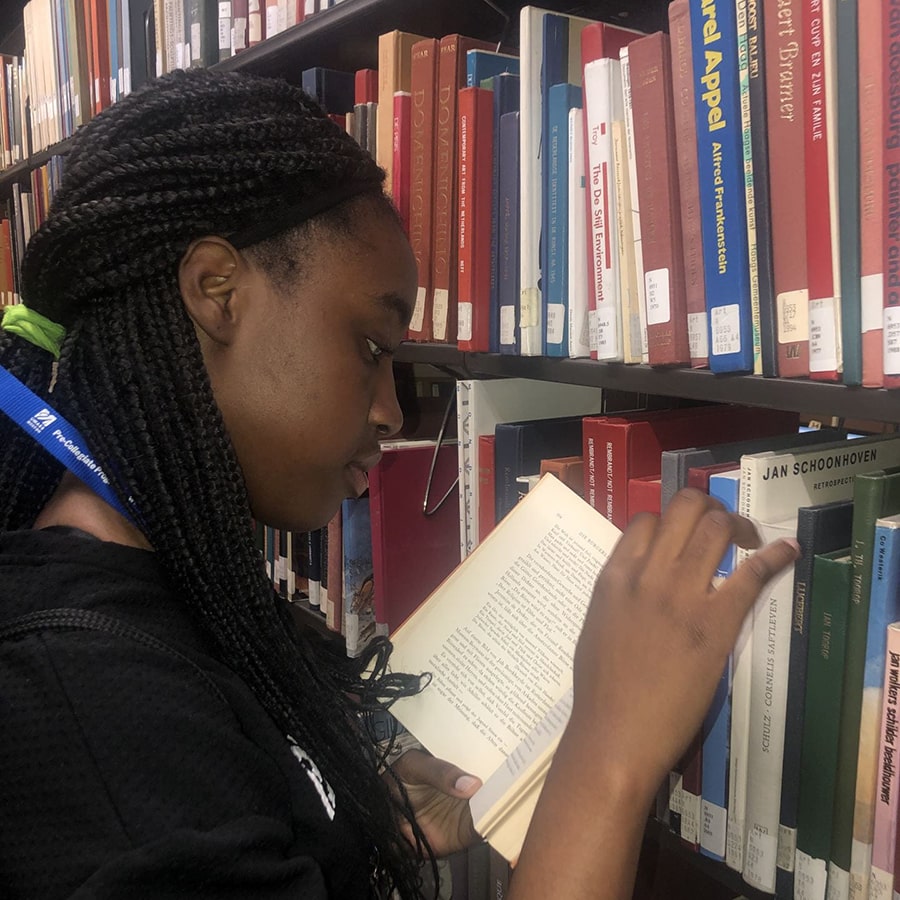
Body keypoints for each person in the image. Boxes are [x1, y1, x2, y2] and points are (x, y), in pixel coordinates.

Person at [0, 67, 798, 899]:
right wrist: (609, 758)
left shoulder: (167, 587)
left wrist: (338, 823)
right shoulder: (84, 706)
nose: (389, 412)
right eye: (373, 347)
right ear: (217, 292)